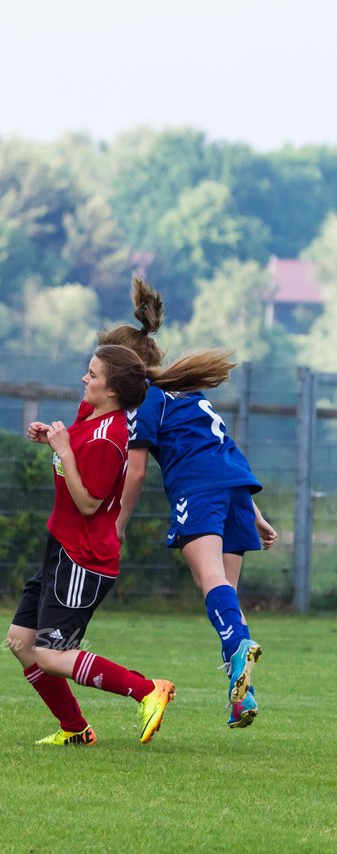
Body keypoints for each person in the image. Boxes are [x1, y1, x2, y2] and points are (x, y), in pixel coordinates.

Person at [102, 278, 278, 729]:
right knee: (226, 598)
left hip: (197, 490)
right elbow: (223, 451)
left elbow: (137, 471)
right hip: (235, 487)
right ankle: (243, 695)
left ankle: (241, 652)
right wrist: (255, 514)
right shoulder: (188, 393)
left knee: (210, 580)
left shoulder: (146, 401)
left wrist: (117, 525)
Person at [7, 344, 176, 747]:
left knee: (50, 655)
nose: (85, 379)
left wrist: (63, 449)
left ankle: (148, 688)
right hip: (61, 547)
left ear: (112, 391)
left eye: (93, 375)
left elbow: (88, 503)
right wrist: (51, 438)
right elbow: (72, 457)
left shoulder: (111, 437)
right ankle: (76, 730)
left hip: (84, 559)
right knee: (21, 642)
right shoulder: (91, 415)